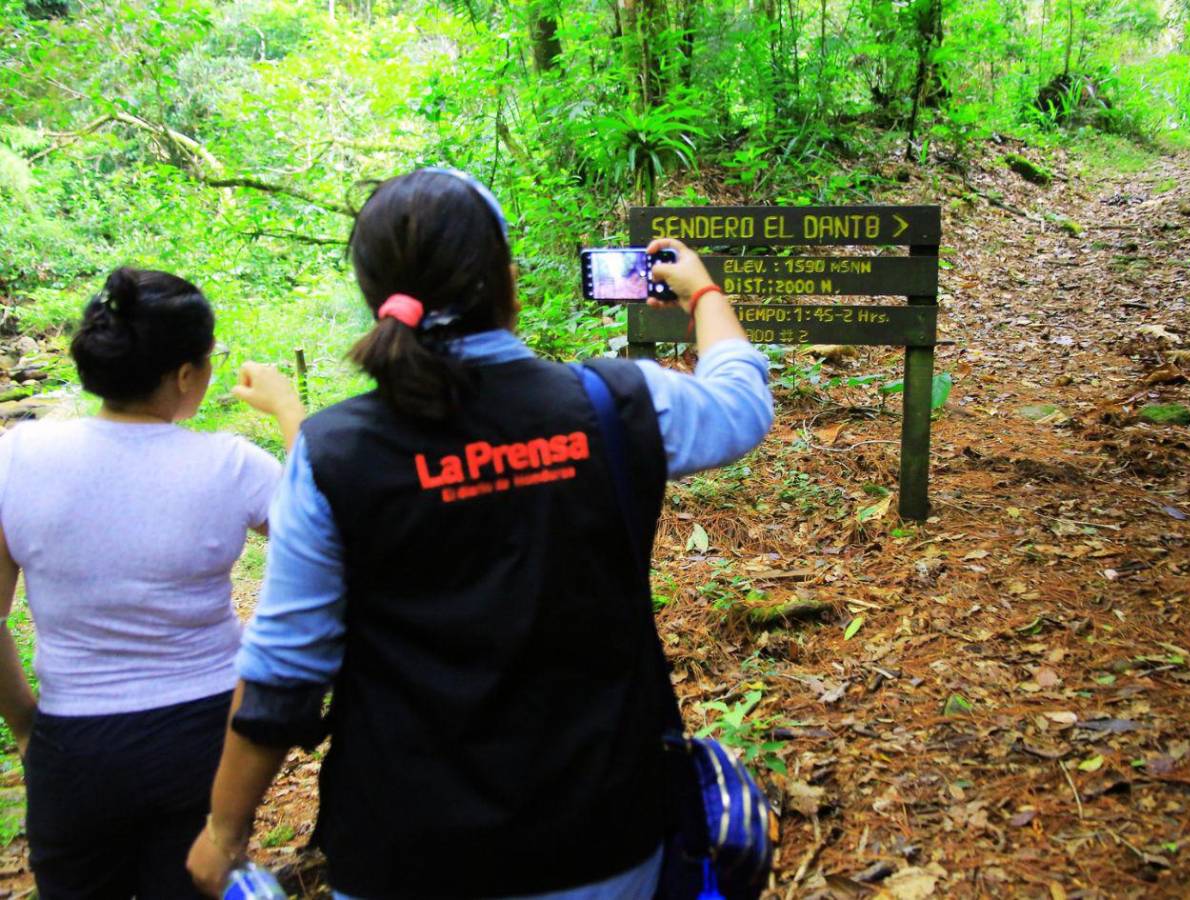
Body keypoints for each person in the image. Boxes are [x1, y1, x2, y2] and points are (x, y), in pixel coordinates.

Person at [186, 168, 774, 899]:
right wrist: (704, 294)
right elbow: (740, 404)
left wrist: (224, 835)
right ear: (507, 278)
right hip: (607, 837)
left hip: (407, 854)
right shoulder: (612, 403)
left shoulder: (335, 452)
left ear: (375, 297)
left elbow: (285, 672)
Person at [0, 267, 305, 899]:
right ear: (187, 374)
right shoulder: (231, 465)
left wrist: (28, 727)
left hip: (73, 744)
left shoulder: (18, 456)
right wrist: (289, 412)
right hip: (206, 742)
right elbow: (328, 533)